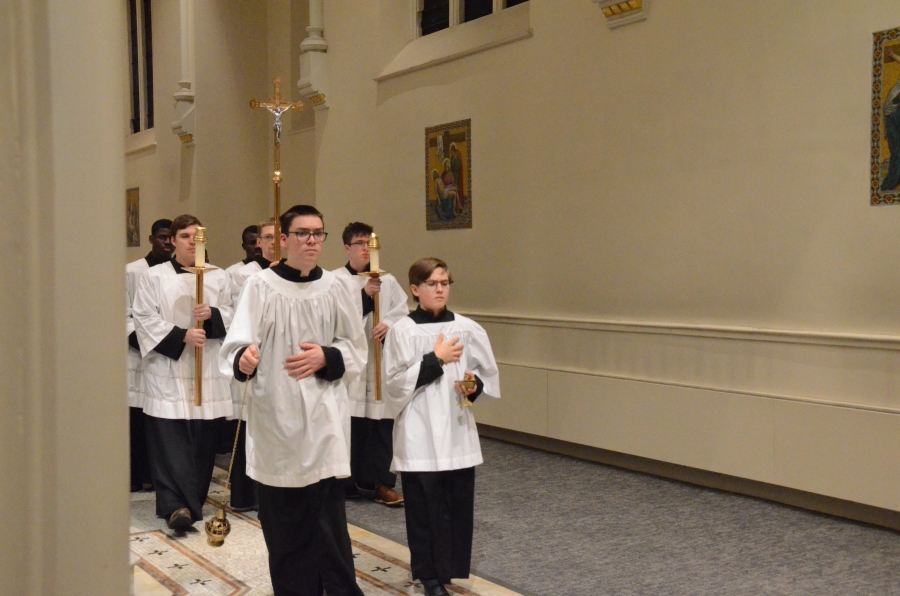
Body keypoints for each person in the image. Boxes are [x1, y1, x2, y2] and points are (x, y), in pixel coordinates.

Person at [220, 205, 366, 596]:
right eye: (302, 233)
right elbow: (236, 344)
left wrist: (327, 356)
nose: (312, 241)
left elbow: (356, 349)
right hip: (277, 419)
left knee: (329, 526)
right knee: (286, 528)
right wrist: (242, 358)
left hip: (324, 417)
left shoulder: (337, 288)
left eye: (318, 233)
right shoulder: (261, 286)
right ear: (282, 240)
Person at [383, 258, 500, 596]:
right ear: (415, 290)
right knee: (424, 508)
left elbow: (488, 375)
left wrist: (473, 384)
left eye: (445, 283)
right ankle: (428, 576)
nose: (439, 289)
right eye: (432, 284)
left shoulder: (467, 327)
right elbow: (392, 386)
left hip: (457, 427)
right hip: (419, 430)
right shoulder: (403, 331)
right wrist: (435, 360)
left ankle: (448, 569)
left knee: (457, 505)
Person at [132, 214, 234, 531]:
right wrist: (182, 335)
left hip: (207, 372)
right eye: (186, 236)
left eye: (197, 237)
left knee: (202, 442)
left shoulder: (218, 277)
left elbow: (236, 314)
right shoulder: (154, 277)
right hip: (169, 369)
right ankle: (174, 506)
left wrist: (214, 315)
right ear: (173, 241)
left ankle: (191, 504)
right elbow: (143, 318)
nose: (192, 242)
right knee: (169, 440)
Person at [332, 222, 408, 507]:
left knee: (380, 423)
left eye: (370, 244)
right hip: (353, 364)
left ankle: (380, 483)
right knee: (350, 422)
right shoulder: (335, 280)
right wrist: (364, 295)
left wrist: (389, 323)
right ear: (347, 248)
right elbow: (335, 318)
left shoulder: (388, 280)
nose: (366, 249)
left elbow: (402, 312)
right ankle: (347, 480)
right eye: (360, 244)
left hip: (378, 360)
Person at [223, 217, 278, 511]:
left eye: (277, 237)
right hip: (253, 356)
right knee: (248, 427)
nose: (272, 242)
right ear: (258, 242)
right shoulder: (243, 276)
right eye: (267, 237)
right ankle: (246, 495)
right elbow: (234, 317)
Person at [126, 218, 173, 492]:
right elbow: (124, 315)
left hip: (167, 354)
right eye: (162, 237)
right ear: (151, 239)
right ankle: (134, 477)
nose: (167, 242)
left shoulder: (174, 273)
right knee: (136, 421)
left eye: (171, 238)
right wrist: (149, 340)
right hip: (139, 353)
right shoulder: (132, 271)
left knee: (159, 421)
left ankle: (157, 478)